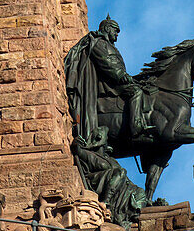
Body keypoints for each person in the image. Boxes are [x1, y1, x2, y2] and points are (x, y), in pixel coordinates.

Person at [64, 16, 156, 148]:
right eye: (115, 30)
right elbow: (107, 62)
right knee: (136, 91)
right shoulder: (99, 43)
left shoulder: (107, 44)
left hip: (114, 80)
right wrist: (120, 75)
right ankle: (136, 127)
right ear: (107, 29)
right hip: (106, 84)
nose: (117, 35)